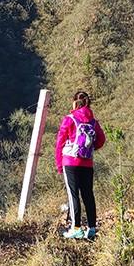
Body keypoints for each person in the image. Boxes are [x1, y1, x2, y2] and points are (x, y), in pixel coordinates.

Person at [54, 90, 106, 240]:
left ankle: (76, 228)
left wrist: (59, 164)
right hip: (87, 162)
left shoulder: (69, 119)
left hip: (70, 161)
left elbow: (60, 143)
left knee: (73, 194)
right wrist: (90, 148)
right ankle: (92, 228)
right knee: (88, 194)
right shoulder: (93, 122)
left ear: (74, 102)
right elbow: (101, 140)